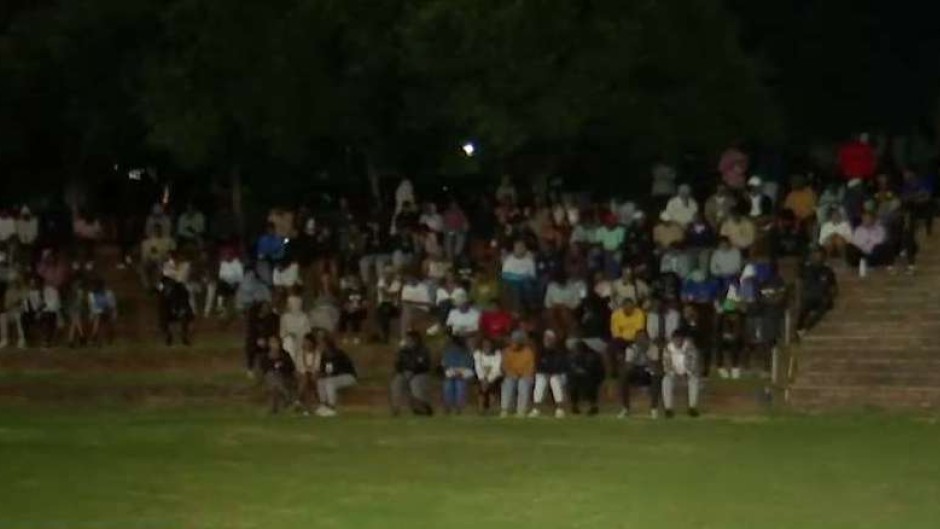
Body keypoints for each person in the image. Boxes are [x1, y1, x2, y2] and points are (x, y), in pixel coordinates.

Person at [618, 330, 662, 418]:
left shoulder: (653, 348)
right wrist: (636, 354)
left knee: (656, 375)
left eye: (643, 338)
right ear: (635, 339)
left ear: (647, 339)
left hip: (648, 373)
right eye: (638, 338)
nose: (641, 340)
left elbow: (654, 366)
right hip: (636, 372)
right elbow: (628, 366)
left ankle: (654, 408)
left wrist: (645, 353)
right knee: (624, 375)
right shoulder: (631, 348)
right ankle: (625, 408)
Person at [389, 331, 433, 416]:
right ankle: (395, 409)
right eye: (407, 339)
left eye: (409, 339)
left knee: (415, 385)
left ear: (416, 339)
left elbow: (425, 365)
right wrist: (403, 371)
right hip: (404, 373)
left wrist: (412, 371)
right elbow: (398, 364)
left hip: (419, 373)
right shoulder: (403, 351)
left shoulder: (423, 350)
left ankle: (423, 407)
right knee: (396, 384)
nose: (408, 341)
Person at [797, 248, 838, 337]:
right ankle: (799, 328)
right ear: (811, 257)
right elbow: (799, 283)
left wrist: (831, 295)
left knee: (824, 306)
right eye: (815, 255)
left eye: (820, 256)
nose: (818, 258)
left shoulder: (828, 271)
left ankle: (806, 328)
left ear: (824, 257)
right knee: (803, 308)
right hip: (808, 296)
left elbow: (834, 287)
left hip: (822, 298)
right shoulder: (805, 269)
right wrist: (799, 296)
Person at [662, 330, 701, 418]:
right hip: (674, 373)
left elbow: (694, 362)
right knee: (666, 381)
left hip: (687, 372)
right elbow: (666, 364)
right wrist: (672, 374)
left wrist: (688, 373)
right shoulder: (668, 348)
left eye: (680, 340)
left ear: (683, 340)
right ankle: (668, 408)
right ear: (673, 339)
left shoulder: (690, 347)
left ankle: (692, 407)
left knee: (694, 380)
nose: (678, 342)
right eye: (676, 340)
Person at [258, 335, 300, 414]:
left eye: (275, 342)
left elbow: (291, 368)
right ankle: (287, 397)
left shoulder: (285, 355)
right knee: (272, 376)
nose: (274, 344)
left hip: (284, 377)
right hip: (270, 378)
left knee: (275, 384)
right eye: (271, 342)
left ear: (279, 343)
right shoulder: (265, 356)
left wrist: (281, 367)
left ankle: (276, 407)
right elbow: (264, 370)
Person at [531, 330, 568, 418]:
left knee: (555, 381)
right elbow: (538, 365)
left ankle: (560, 409)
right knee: (539, 383)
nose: (547, 341)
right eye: (546, 339)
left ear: (554, 340)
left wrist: (550, 371)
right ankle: (536, 409)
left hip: (558, 374)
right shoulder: (540, 350)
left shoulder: (559, 350)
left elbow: (560, 366)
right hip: (543, 373)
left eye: (549, 339)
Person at [315, 340, 357, 417]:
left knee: (329, 383)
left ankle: (332, 406)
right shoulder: (324, 356)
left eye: (322, 345)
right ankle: (323, 405)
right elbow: (324, 370)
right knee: (320, 382)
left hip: (347, 376)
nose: (320, 347)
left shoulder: (339, 354)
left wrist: (327, 374)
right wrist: (320, 374)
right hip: (333, 377)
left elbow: (337, 371)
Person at [500, 330, 536, 418]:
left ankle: (521, 410)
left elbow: (530, 368)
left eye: (515, 341)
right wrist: (512, 373)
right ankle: (505, 409)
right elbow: (504, 366)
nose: (513, 343)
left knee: (523, 385)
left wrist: (521, 374)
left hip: (525, 375)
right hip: (511, 375)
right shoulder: (507, 351)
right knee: (508, 383)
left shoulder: (528, 352)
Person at [609, 297, 647, 373]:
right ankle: (613, 372)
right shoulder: (615, 315)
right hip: (620, 340)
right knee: (610, 350)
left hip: (635, 339)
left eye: (632, 307)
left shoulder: (639, 313)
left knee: (630, 351)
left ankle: (627, 373)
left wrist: (625, 333)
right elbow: (615, 332)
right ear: (623, 307)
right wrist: (624, 336)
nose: (630, 309)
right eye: (628, 308)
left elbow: (639, 331)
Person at [568, 340, 606, 415]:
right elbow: (572, 367)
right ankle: (574, 406)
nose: (576, 351)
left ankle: (593, 406)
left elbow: (593, 370)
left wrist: (581, 371)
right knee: (572, 385)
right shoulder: (574, 356)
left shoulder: (592, 356)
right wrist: (577, 370)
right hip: (579, 377)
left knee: (590, 385)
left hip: (593, 377)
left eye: (577, 350)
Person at [441, 334, 475, 415]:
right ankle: (448, 407)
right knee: (447, 384)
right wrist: (452, 374)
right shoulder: (448, 353)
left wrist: (461, 374)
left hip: (465, 374)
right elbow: (445, 367)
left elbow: (470, 367)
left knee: (460, 384)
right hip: (451, 374)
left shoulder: (467, 354)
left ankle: (459, 408)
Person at [157, 276, 193, 346]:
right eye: (166, 286)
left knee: (185, 316)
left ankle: (184, 337)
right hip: (169, 312)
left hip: (179, 309)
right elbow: (161, 307)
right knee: (162, 319)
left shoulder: (180, 289)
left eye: (169, 285)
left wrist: (180, 309)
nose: (168, 288)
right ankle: (168, 336)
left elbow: (185, 300)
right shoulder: (162, 293)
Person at [473, 337, 503, 414]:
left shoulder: (498, 354)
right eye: (485, 345)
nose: (487, 347)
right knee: (480, 387)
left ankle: (491, 409)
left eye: (488, 345)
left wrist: (488, 380)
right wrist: (483, 379)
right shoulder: (478, 354)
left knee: (493, 386)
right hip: (481, 378)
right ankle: (481, 409)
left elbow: (497, 369)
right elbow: (478, 367)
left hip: (494, 377)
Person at [375, 266, 402, 343]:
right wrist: (390, 294)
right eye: (386, 273)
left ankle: (385, 336)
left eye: (390, 273)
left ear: (393, 274)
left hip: (394, 306)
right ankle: (385, 335)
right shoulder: (381, 281)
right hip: (383, 305)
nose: (388, 275)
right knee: (384, 310)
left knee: (385, 310)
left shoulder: (397, 282)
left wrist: (389, 293)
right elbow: (386, 294)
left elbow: (392, 294)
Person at [337, 274, 367, 344]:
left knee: (355, 315)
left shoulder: (362, 290)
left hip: (359, 310)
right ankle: (344, 336)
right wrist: (349, 307)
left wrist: (359, 306)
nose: (353, 282)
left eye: (355, 280)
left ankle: (356, 337)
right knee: (343, 315)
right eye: (352, 281)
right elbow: (343, 302)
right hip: (349, 309)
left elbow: (365, 302)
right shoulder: (347, 291)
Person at [88, 278, 117, 346]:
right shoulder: (94, 294)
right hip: (102, 312)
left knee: (101, 325)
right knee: (101, 325)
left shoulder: (106, 293)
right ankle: (98, 339)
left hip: (103, 312)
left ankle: (97, 339)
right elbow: (112, 304)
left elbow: (92, 305)